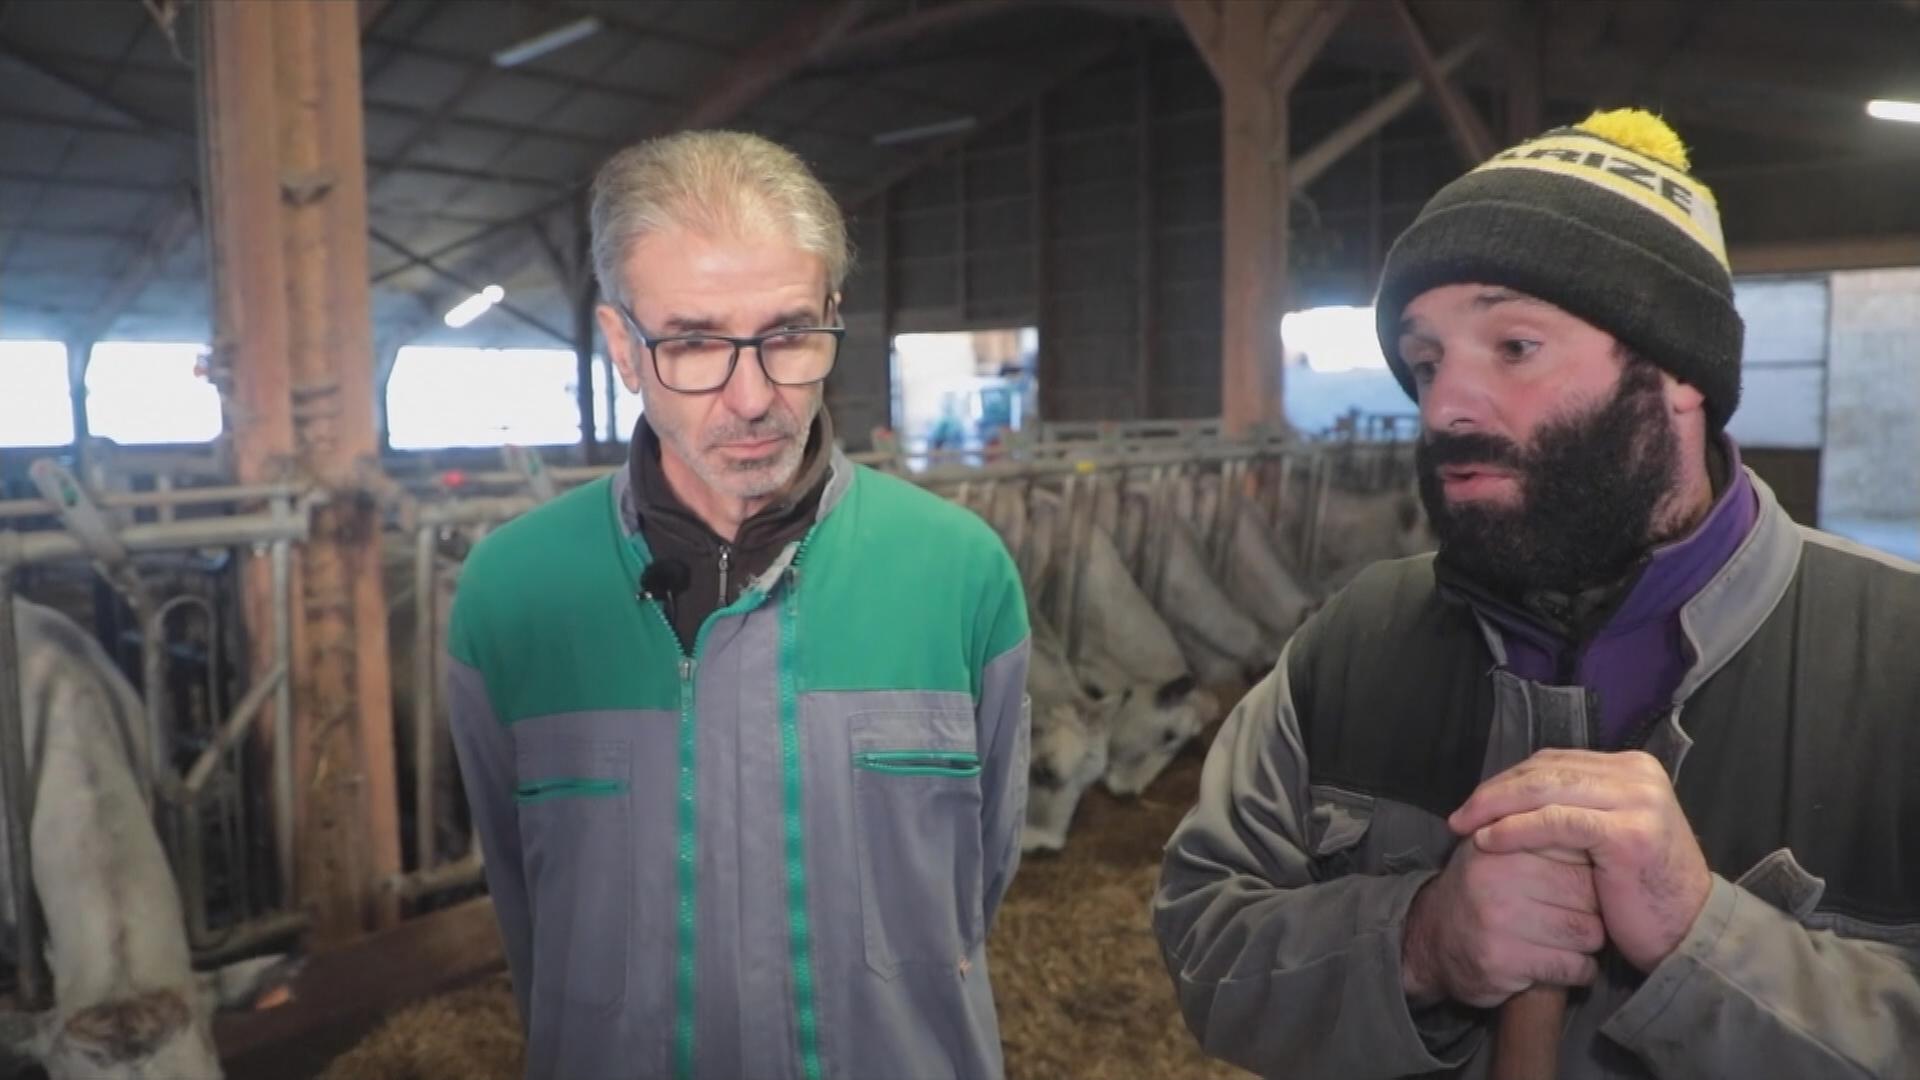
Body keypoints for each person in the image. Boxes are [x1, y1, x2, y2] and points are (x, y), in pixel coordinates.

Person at [1153, 109, 1920, 1078]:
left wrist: (1709, 940)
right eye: (1425, 361)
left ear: (1678, 371)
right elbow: (1202, 936)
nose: (1444, 407)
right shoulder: (1348, 648)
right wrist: (1418, 943)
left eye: (1514, 346)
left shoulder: (1899, 663)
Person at [448, 130, 1031, 1080]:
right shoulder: (515, 595)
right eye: (692, 342)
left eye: (790, 334)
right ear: (621, 348)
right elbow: (527, 907)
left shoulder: (959, 572)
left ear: (834, 315)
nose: (753, 396)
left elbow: (978, 883)